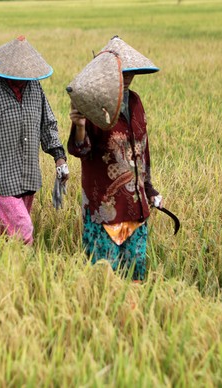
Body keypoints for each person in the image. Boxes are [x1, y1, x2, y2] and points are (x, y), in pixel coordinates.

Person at [68, 36, 163, 281]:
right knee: (103, 280)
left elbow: (143, 150)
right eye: (121, 72)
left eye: (129, 71)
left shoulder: (136, 102)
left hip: (135, 206)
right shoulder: (95, 106)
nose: (127, 76)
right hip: (105, 209)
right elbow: (81, 150)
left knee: (135, 276)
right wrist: (79, 125)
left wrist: (149, 189)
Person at [0, 36, 68, 245]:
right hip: (3, 175)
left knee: (8, 230)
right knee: (24, 229)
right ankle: (24, 272)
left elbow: (48, 126)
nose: (23, 77)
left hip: (29, 173)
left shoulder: (35, 89)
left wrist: (59, 157)